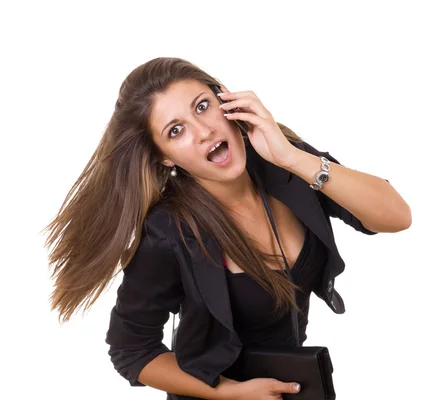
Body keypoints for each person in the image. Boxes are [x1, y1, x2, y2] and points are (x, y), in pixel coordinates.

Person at [43, 57, 412, 400]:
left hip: (287, 386)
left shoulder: (286, 164)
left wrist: (292, 157)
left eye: (202, 106)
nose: (203, 131)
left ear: (227, 102)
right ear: (164, 157)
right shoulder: (168, 230)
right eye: (176, 131)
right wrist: (228, 392)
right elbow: (132, 350)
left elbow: (396, 216)